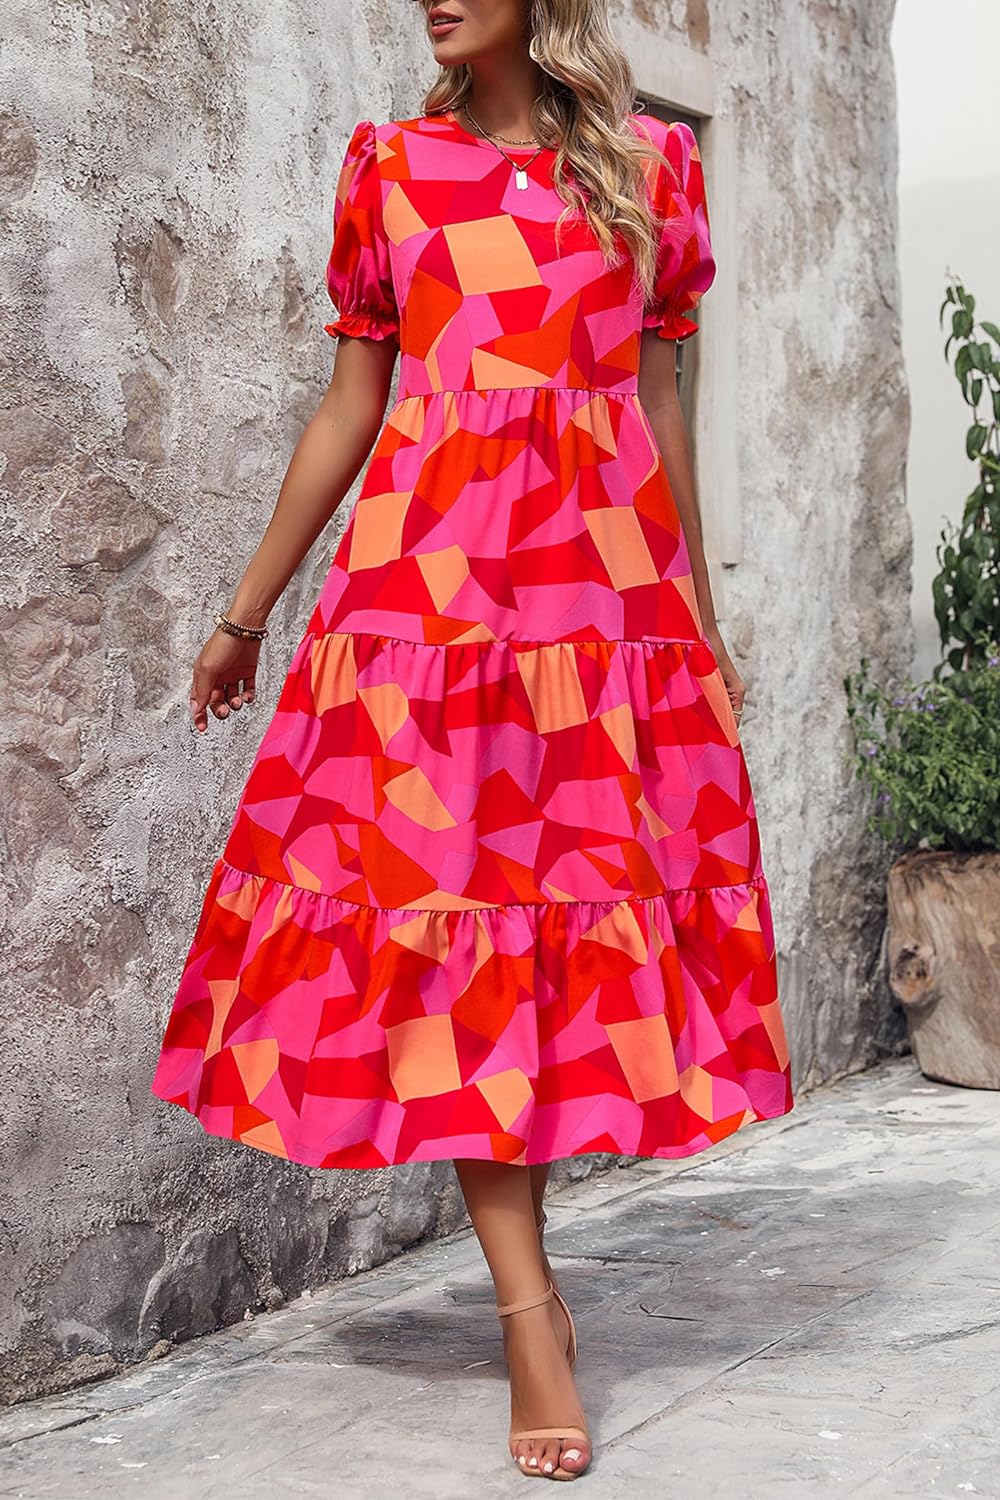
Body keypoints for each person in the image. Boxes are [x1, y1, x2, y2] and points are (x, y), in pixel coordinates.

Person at [151, 0, 795, 1481]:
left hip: (596, 606)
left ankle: (532, 1294)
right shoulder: (389, 166)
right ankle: (527, 1312)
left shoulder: (649, 171)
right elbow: (353, 406)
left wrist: (694, 616)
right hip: (428, 606)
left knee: (556, 929)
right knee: (451, 934)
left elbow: (655, 399)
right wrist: (247, 612)